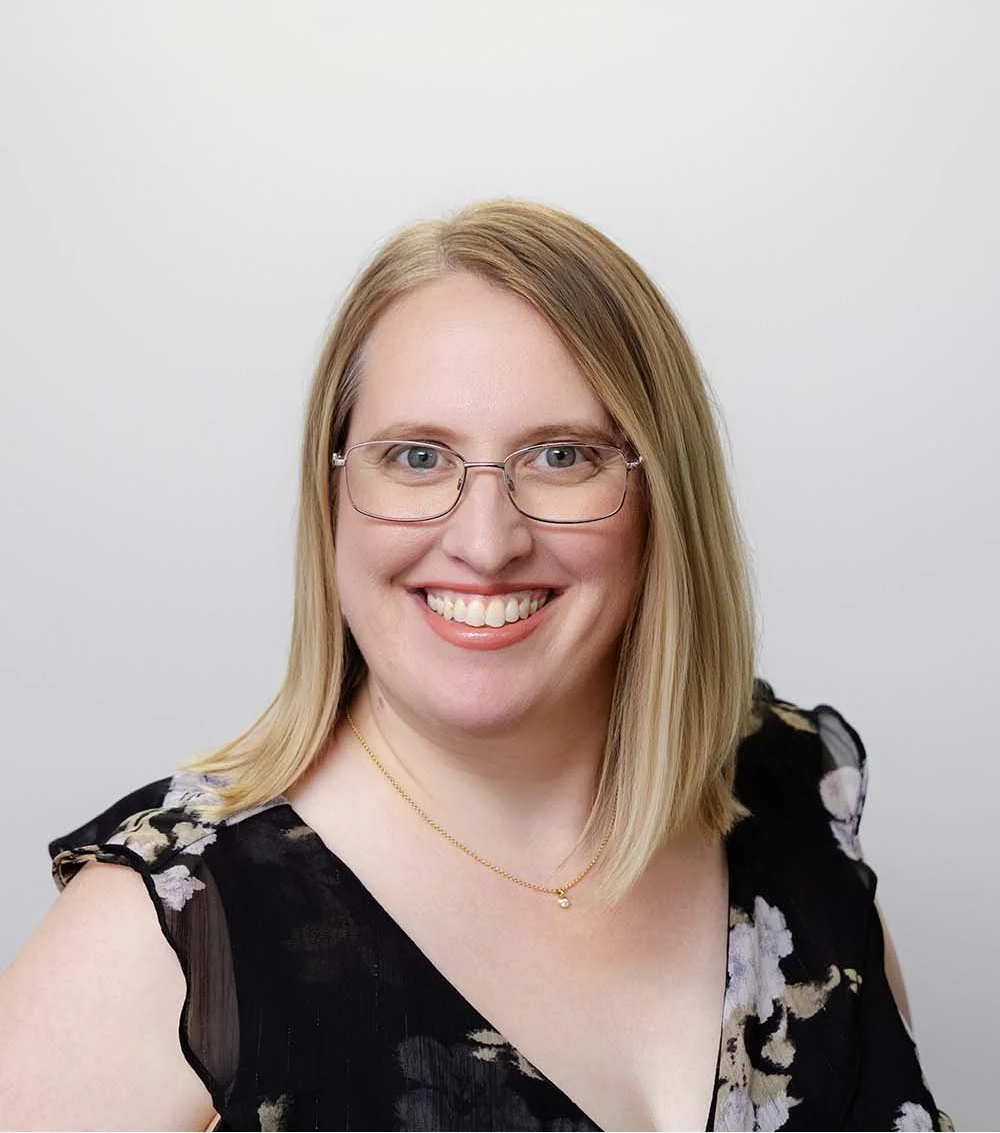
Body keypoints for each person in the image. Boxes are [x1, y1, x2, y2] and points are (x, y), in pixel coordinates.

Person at [0, 201, 949, 1132]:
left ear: (663, 494)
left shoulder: (792, 801)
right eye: (416, 457)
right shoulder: (168, 936)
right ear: (333, 493)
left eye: (562, 456)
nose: (486, 543)